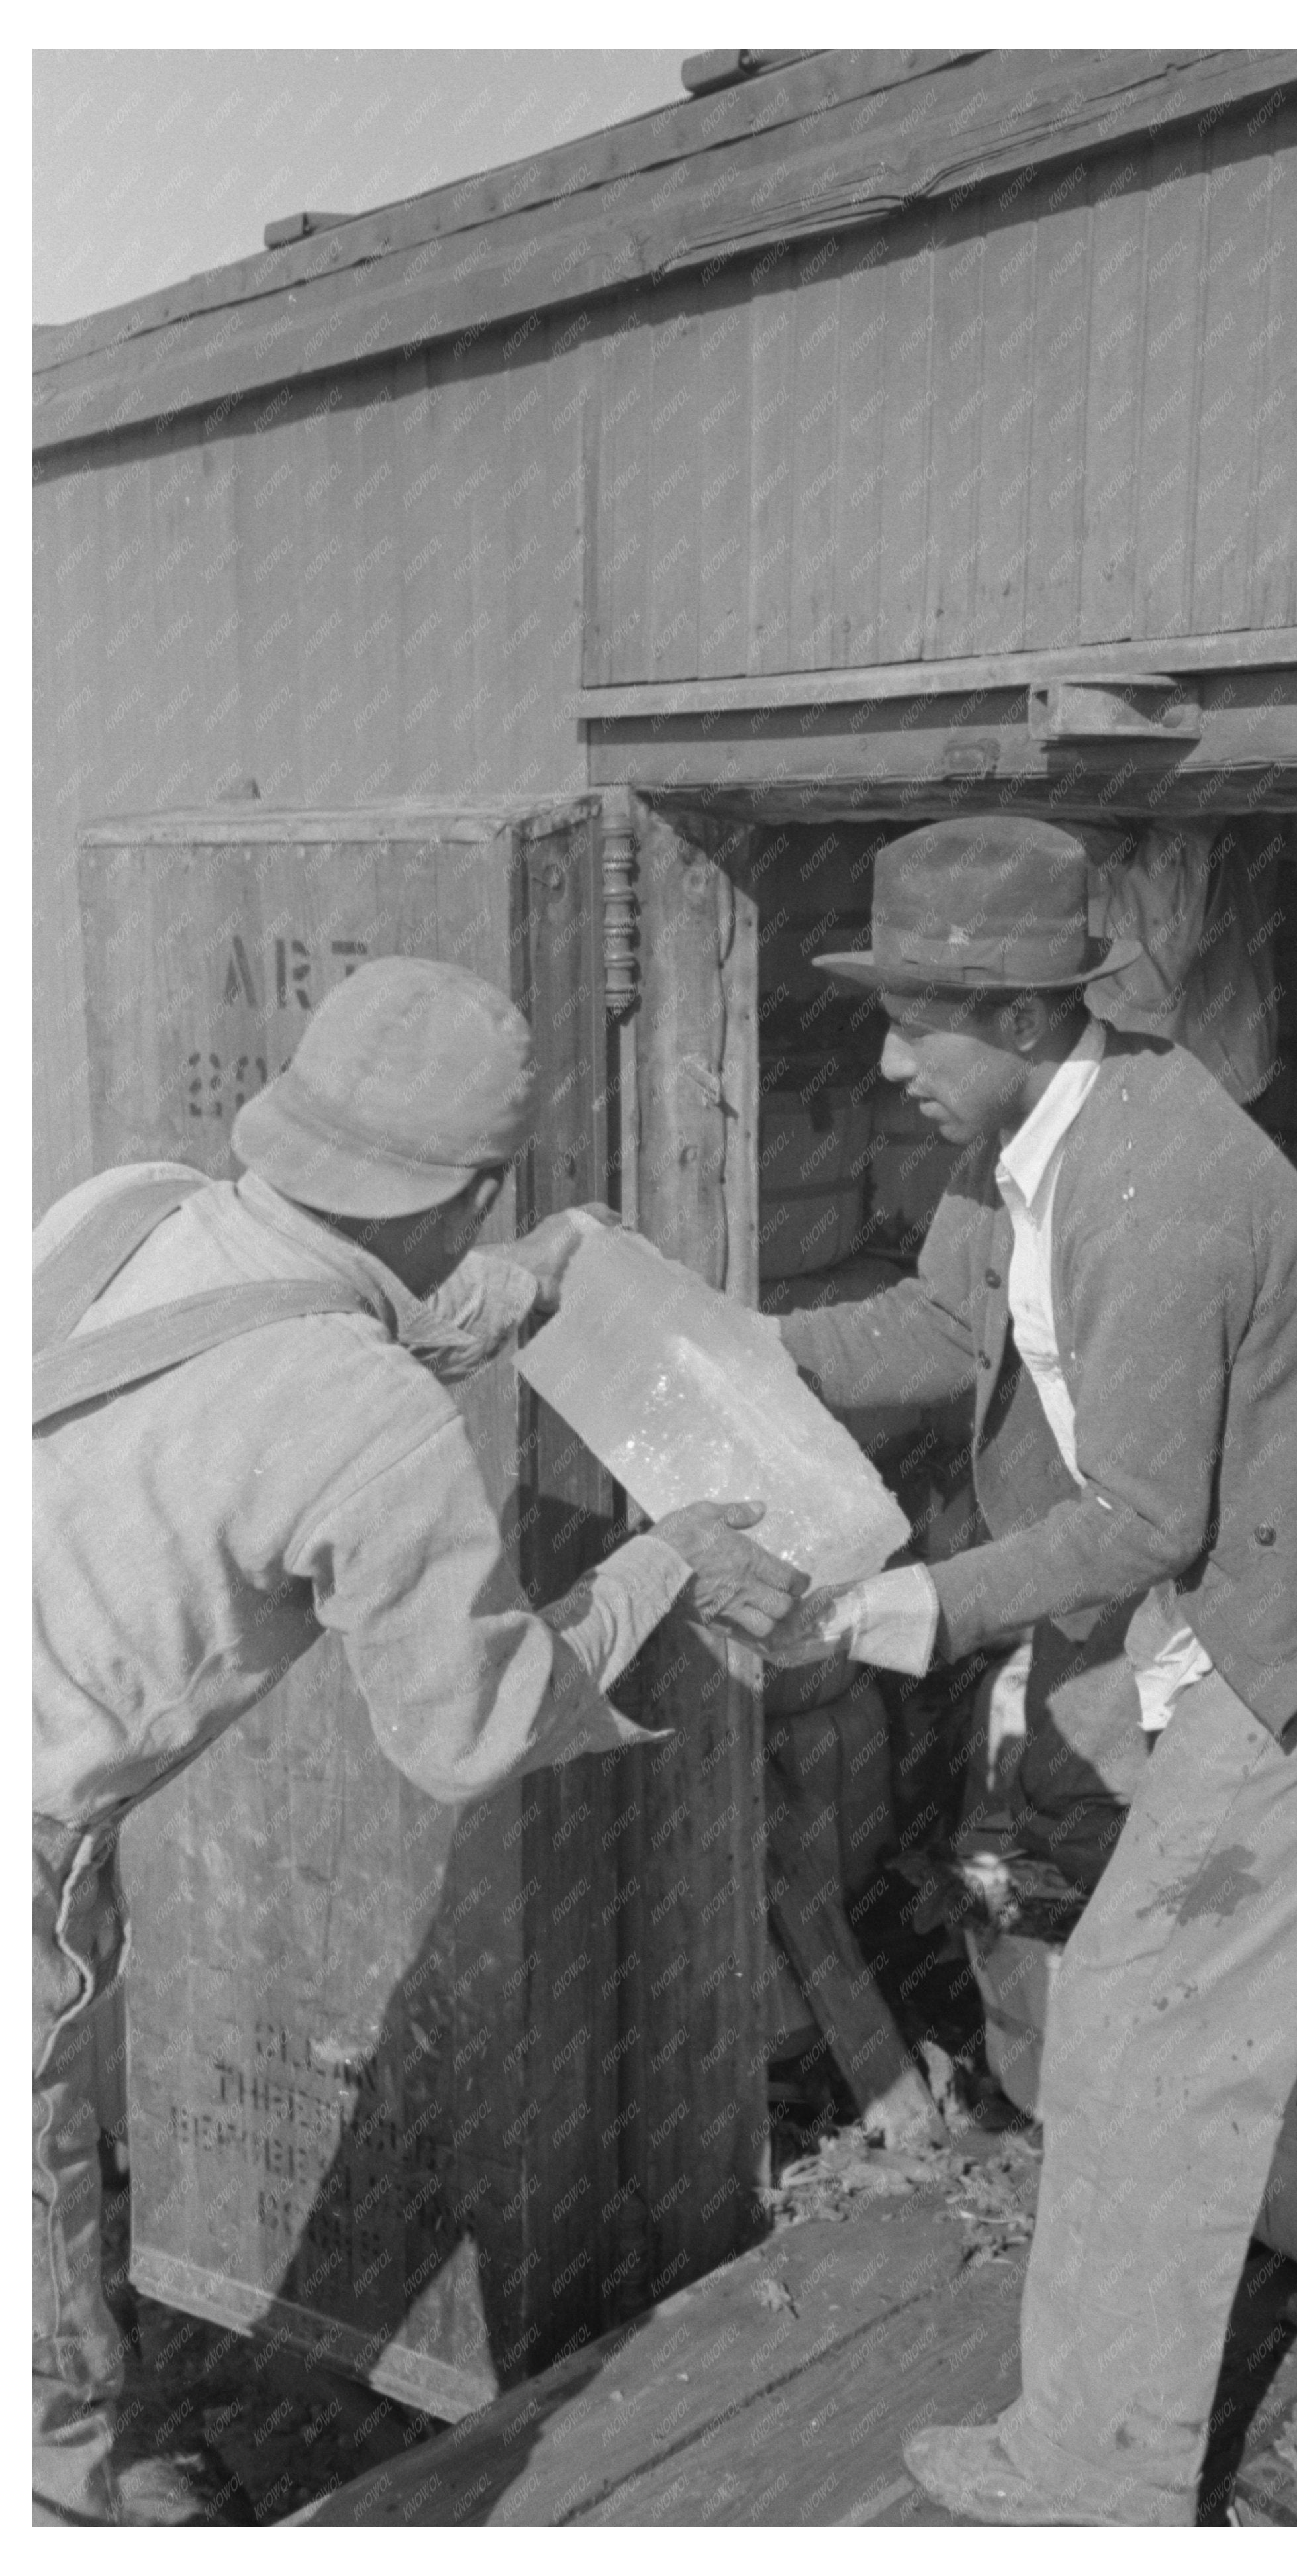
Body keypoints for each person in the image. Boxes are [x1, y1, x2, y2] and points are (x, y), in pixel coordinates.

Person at [33, 956, 802, 2527]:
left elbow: (282, 1335)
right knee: (27, 2203)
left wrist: (515, 1284)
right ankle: (78, 2499)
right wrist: (659, 1560)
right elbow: (477, 1726)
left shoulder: (128, 1205)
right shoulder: (372, 1422)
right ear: (469, 1188)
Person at [771, 815, 1297, 2525]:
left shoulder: (1156, 1185)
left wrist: (931, 1604)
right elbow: (946, 1329)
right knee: (1132, 2004)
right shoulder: (1021, 1156)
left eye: (912, 1019)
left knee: (1137, 2005)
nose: (885, 1057)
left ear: (1029, 1022)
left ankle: (1098, 2476)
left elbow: (1135, 1513)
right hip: (1237, 1600)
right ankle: (1098, 2439)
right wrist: (756, 1349)